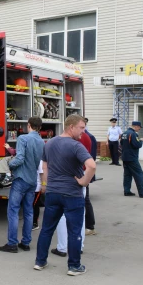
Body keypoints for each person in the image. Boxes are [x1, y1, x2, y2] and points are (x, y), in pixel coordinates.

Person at [34, 114, 96, 276]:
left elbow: (45, 166)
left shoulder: (50, 143)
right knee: (74, 231)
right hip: (72, 194)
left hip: (53, 193)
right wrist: (84, 182)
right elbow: (92, 166)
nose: (84, 131)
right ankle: (74, 266)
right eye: (81, 128)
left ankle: (40, 262)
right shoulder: (76, 146)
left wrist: (47, 184)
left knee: (47, 229)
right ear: (71, 127)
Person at [0, 117, 44, 253]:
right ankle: (26, 242)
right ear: (40, 127)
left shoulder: (23, 138)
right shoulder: (41, 141)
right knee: (29, 212)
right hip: (32, 180)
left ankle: (12, 243)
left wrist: (9, 164)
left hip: (21, 178)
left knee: (13, 210)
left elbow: (20, 158)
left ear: (28, 125)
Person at [51, 130, 93, 258]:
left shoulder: (68, 142)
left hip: (68, 182)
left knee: (63, 216)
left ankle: (63, 248)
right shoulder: (87, 137)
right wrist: (85, 180)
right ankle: (79, 246)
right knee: (80, 215)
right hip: (80, 179)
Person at [121, 121, 143, 199]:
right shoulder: (133, 134)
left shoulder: (124, 133)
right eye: (139, 127)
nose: (139, 129)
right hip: (132, 157)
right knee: (139, 174)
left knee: (127, 174)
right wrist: (141, 140)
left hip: (125, 157)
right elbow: (137, 145)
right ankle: (142, 193)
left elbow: (121, 143)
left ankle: (127, 191)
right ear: (136, 126)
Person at [84, 122, 97, 235]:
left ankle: (89, 226)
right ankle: (89, 225)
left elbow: (91, 158)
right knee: (84, 199)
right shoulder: (88, 136)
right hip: (83, 172)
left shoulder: (88, 137)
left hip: (82, 172)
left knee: (85, 199)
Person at [32, 161, 44, 230]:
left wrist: (43, 185)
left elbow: (42, 174)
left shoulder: (39, 161)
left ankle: (35, 223)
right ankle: (31, 222)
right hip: (30, 187)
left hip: (37, 187)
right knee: (30, 206)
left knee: (35, 205)